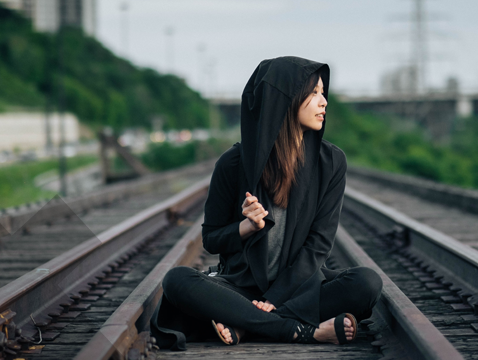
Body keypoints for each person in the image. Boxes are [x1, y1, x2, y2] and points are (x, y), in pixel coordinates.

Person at [150, 56, 383, 351]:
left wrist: (273, 301)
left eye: (323, 93)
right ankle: (301, 331)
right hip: (239, 288)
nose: (324, 102)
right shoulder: (233, 164)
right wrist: (246, 228)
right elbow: (211, 239)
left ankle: (243, 324)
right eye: (313, 94)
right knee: (177, 280)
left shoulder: (331, 162)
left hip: (298, 289)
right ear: (284, 100)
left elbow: (318, 246)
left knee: (367, 283)